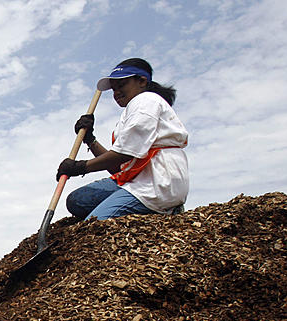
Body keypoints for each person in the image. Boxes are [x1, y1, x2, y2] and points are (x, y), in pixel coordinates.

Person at [57, 58, 189, 221]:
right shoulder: (132, 111)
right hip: (136, 180)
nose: (116, 92)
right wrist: (90, 139)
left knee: (94, 226)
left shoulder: (146, 100)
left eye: (121, 85)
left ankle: (166, 210)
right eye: (114, 89)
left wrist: (79, 167)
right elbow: (118, 166)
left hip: (157, 184)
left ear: (142, 81)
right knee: (78, 201)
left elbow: (123, 154)